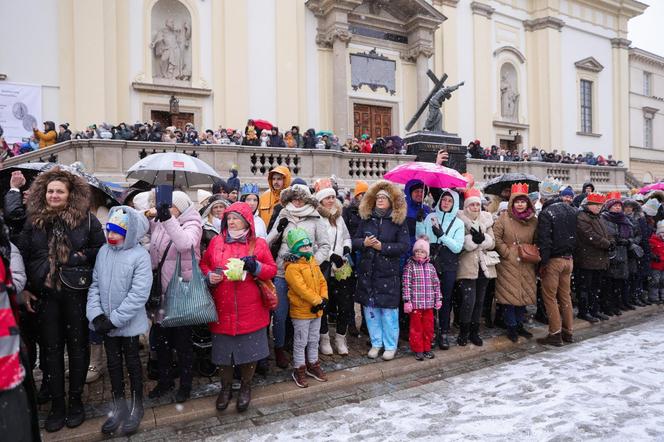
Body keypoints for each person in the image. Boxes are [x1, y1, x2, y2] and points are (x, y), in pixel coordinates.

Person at [17, 168, 105, 432]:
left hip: (76, 295)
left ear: (70, 195)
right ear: (44, 193)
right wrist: (23, 290)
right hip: (44, 297)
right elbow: (22, 254)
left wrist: (77, 258)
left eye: (60, 191)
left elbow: (99, 251)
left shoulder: (87, 221)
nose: (54, 195)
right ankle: (57, 404)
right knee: (51, 351)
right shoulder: (33, 221)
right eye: (50, 191)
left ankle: (75, 401)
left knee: (78, 349)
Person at [200, 202, 277, 414]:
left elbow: (271, 270)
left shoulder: (259, 244)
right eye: (229, 218)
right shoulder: (216, 242)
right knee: (223, 354)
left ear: (246, 220)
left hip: (250, 308)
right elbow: (204, 264)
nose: (231, 222)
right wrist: (209, 276)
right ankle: (225, 389)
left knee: (249, 353)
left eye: (236, 218)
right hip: (222, 307)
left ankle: (245, 386)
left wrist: (256, 267)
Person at [86, 207, 152, 435]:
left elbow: (138, 293)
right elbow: (94, 285)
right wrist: (96, 315)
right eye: (109, 231)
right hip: (106, 322)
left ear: (130, 233)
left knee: (132, 363)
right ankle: (118, 405)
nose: (111, 236)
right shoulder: (104, 251)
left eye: (117, 232)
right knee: (113, 365)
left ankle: (137, 404)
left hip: (127, 325)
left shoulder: (140, 255)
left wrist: (115, 320)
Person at [146, 191, 202, 404]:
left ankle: (185, 385)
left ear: (180, 207)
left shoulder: (193, 223)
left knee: (183, 343)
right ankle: (165, 380)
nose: (166, 210)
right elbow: (154, 251)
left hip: (181, 293)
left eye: (170, 206)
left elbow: (184, 244)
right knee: (161, 343)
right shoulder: (161, 223)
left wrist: (167, 219)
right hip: (161, 293)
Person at [267, 183, 330, 368]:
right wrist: (279, 230)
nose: (296, 201)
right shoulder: (283, 213)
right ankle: (279, 347)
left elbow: (324, 245)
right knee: (280, 314)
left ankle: (303, 352)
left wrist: (311, 266)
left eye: (300, 198)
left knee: (304, 313)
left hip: (307, 275)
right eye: (293, 198)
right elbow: (269, 241)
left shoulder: (315, 216)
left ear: (306, 199)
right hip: (282, 272)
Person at [352, 180, 409, 360]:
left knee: (389, 312)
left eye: (384, 197)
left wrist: (382, 247)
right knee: (371, 310)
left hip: (388, 273)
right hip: (369, 272)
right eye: (378, 197)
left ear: (391, 201)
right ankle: (376, 343)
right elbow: (354, 241)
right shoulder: (367, 219)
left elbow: (404, 246)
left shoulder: (398, 222)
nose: (380, 200)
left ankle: (390, 345)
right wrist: (364, 243)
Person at [416, 189, 464, 350]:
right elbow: (421, 239)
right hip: (431, 263)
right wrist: (420, 222)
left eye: (450, 201)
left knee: (444, 299)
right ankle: (431, 331)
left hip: (449, 263)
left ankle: (443, 331)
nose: (446, 203)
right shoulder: (431, 217)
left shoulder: (458, 223)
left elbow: (457, 247)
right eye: (444, 200)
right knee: (429, 299)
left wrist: (442, 236)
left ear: (454, 203)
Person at [284, 228, 329, 387]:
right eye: (303, 247)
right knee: (301, 341)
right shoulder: (292, 267)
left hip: (316, 310)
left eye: (308, 245)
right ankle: (299, 368)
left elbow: (322, 281)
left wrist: (323, 298)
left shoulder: (312, 262)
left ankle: (313, 364)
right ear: (295, 249)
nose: (307, 249)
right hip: (302, 311)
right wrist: (317, 300)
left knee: (313, 339)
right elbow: (300, 288)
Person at [493, 183, 538, 343]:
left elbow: (537, 239)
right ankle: (511, 326)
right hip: (508, 263)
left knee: (523, 295)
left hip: (526, 261)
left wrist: (531, 252)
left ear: (528, 203)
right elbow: (496, 237)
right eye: (517, 201)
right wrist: (506, 252)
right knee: (510, 297)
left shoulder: (533, 221)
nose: (520, 204)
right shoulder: (504, 218)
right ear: (512, 202)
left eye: (523, 201)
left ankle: (520, 325)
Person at [536, 182, 578, 346]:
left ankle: (555, 333)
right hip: (569, 259)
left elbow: (545, 241)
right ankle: (568, 332)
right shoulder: (572, 210)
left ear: (543, 197)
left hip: (554, 260)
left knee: (550, 298)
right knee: (565, 296)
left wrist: (543, 263)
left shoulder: (547, 213)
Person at [456, 188, 497, 346]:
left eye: (477, 205)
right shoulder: (460, 220)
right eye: (472, 205)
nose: (475, 208)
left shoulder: (487, 219)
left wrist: (483, 239)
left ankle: (475, 332)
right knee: (468, 301)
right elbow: (459, 243)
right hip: (467, 265)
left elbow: (492, 243)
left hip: (484, 265)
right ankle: (463, 332)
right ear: (466, 207)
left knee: (480, 301)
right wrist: (471, 241)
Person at [315, 182, 352, 355]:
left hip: (341, 266)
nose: (331, 200)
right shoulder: (316, 217)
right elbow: (315, 243)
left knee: (344, 304)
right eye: (327, 198)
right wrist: (331, 255)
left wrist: (346, 248)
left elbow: (346, 236)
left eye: (332, 197)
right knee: (324, 303)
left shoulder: (338, 216)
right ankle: (324, 339)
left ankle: (340, 337)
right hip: (324, 265)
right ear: (320, 200)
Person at [574, 193, 611, 323]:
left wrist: (611, 241)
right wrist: (607, 244)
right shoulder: (582, 216)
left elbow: (606, 233)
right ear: (588, 205)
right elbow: (589, 235)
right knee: (585, 287)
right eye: (595, 205)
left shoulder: (598, 217)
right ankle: (584, 312)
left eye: (600, 205)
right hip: (586, 258)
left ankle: (594, 310)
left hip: (599, 258)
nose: (598, 207)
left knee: (596, 287)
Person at [402, 238, 441, 360]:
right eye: (417, 251)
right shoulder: (410, 267)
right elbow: (406, 284)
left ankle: (427, 348)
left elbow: (436, 284)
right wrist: (407, 301)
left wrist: (438, 298)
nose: (419, 253)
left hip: (428, 304)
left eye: (422, 251)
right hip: (416, 305)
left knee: (428, 328)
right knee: (416, 328)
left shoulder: (431, 267)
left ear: (426, 254)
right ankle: (418, 349)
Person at [600, 193, 634, 317]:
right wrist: (616, 240)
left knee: (619, 283)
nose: (618, 208)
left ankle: (617, 304)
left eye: (619, 206)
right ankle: (608, 306)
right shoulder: (604, 218)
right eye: (615, 206)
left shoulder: (624, 219)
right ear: (609, 207)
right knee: (609, 283)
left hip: (623, 254)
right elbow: (608, 234)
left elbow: (631, 235)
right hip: (611, 254)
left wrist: (628, 241)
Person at [405, 180, 431, 245]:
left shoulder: (427, 210)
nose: (419, 194)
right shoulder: (403, 208)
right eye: (416, 191)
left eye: (422, 191)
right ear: (410, 193)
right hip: (406, 246)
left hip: (422, 249)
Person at [648, 221, 664, 304]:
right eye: (662, 233)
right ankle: (654, 297)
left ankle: (662, 296)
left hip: (663, 266)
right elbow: (649, 251)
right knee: (655, 281)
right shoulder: (653, 240)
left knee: (662, 281)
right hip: (656, 265)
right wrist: (653, 256)